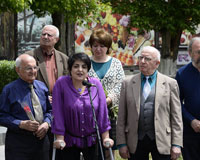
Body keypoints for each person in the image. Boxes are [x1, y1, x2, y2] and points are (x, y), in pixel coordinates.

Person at [116, 46, 183, 160]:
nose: (142, 61)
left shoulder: (170, 83)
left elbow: (176, 117)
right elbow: (121, 116)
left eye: (147, 59)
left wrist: (176, 144)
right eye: (141, 57)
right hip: (136, 140)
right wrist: (122, 143)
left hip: (162, 139)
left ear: (157, 63)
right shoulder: (127, 83)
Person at [51, 52, 114, 160]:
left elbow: (102, 112)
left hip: (92, 140)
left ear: (88, 70)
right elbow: (58, 112)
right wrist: (60, 138)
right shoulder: (61, 84)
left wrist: (106, 138)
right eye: (76, 66)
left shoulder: (95, 84)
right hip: (68, 140)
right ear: (70, 69)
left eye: (84, 67)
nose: (80, 70)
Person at [25, 24, 69, 159]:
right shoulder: (29, 57)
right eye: (43, 34)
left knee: (60, 150)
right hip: (39, 110)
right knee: (42, 151)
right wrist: (44, 98)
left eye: (49, 35)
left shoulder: (64, 58)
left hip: (61, 109)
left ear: (56, 39)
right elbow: (25, 82)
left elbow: (68, 83)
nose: (45, 37)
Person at [0, 54, 52, 160]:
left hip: (42, 142)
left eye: (35, 67)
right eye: (28, 68)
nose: (33, 71)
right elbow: (1, 115)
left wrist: (46, 123)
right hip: (19, 144)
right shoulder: (9, 90)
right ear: (18, 70)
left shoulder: (42, 87)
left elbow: (50, 110)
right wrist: (20, 124)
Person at [88, 28, 125, 159]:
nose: (98, 49)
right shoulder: (86, 63)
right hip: (89, 111)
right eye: (95, 46)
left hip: (111, 112)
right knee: (91, 149)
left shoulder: (116, 63)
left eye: (102, 46)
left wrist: (108, 99)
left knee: (109, 148)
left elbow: (120, 85)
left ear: (108, 47)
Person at [175, 37, 200, 160]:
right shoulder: (182, 74)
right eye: (197, 52)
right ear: (190, 53)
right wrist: (191, 120)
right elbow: (176, 102)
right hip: (190, 131)